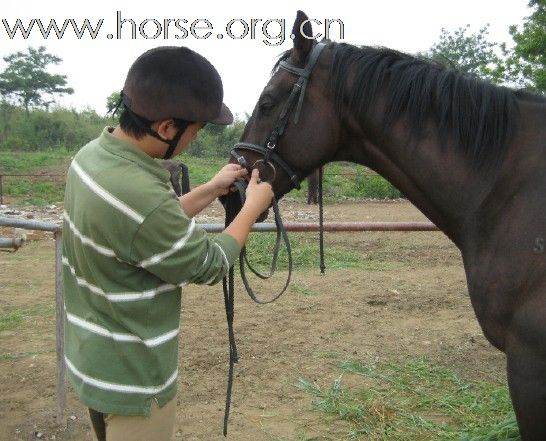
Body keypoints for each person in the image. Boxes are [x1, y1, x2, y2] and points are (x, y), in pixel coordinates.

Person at [62, 46, 273, 441]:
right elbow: (209, 263)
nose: (193, 139)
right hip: (135, 381)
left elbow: (139, 229)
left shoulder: (93, 159)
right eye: (195, 130)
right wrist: (252, 209)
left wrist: (210, 188)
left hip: (94, 360)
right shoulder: (141, 195)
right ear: (166, 128)